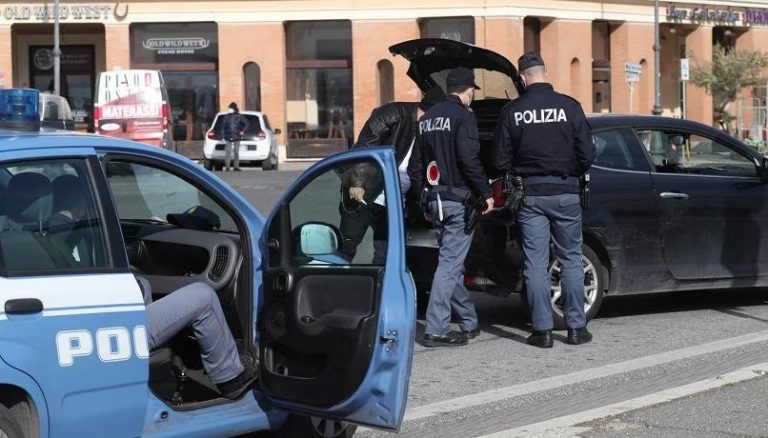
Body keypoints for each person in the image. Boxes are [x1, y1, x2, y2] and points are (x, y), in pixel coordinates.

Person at [492, 52, 595, 348]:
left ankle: (542, 331)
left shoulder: (513, 111)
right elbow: (588, 154)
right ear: (545, 72)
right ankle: (576, 327)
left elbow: (499, 159)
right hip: (565, 193)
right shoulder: (570, 107)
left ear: (522, 78)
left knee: (535, 264)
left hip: (531, 196)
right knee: (571, 260)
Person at [408, 67, 494, 348]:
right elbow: (469, 160)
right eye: (473, 93)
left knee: (451, 263)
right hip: (458, 202)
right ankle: (436, 329)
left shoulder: (427, 119)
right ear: (468, 91)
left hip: (434, 201)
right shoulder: (464, 117)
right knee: (449, 265)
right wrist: (486, 193)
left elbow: (415, 167)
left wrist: (423, 200)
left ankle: (469, 322)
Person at [339, 86, 445, 263]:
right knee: (347, 245)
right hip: (366, 193)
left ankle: (379, 287)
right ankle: (335, 283)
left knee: (385, 253)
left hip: (396, 202)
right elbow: (366, 145)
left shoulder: (429, 132)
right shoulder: (393, 114)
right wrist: (357, 182)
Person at [138, 278, 257, 400]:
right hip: (122, 324)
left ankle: (158, 384)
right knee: (204, 297)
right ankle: (231, 379)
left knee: (141, 283)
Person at [219, 102, 249, 172]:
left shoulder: (239, 116)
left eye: (231, 108)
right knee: (228, 151)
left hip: (237, 135)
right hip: (228, 135)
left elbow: (246, 123)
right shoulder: (226, 116)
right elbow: (223, 127)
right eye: (229, 108)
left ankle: (236, 166)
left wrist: (242, 131)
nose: (230, 110)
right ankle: (227, 167)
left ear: (234, 109)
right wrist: (223, 136)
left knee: (236, 151)